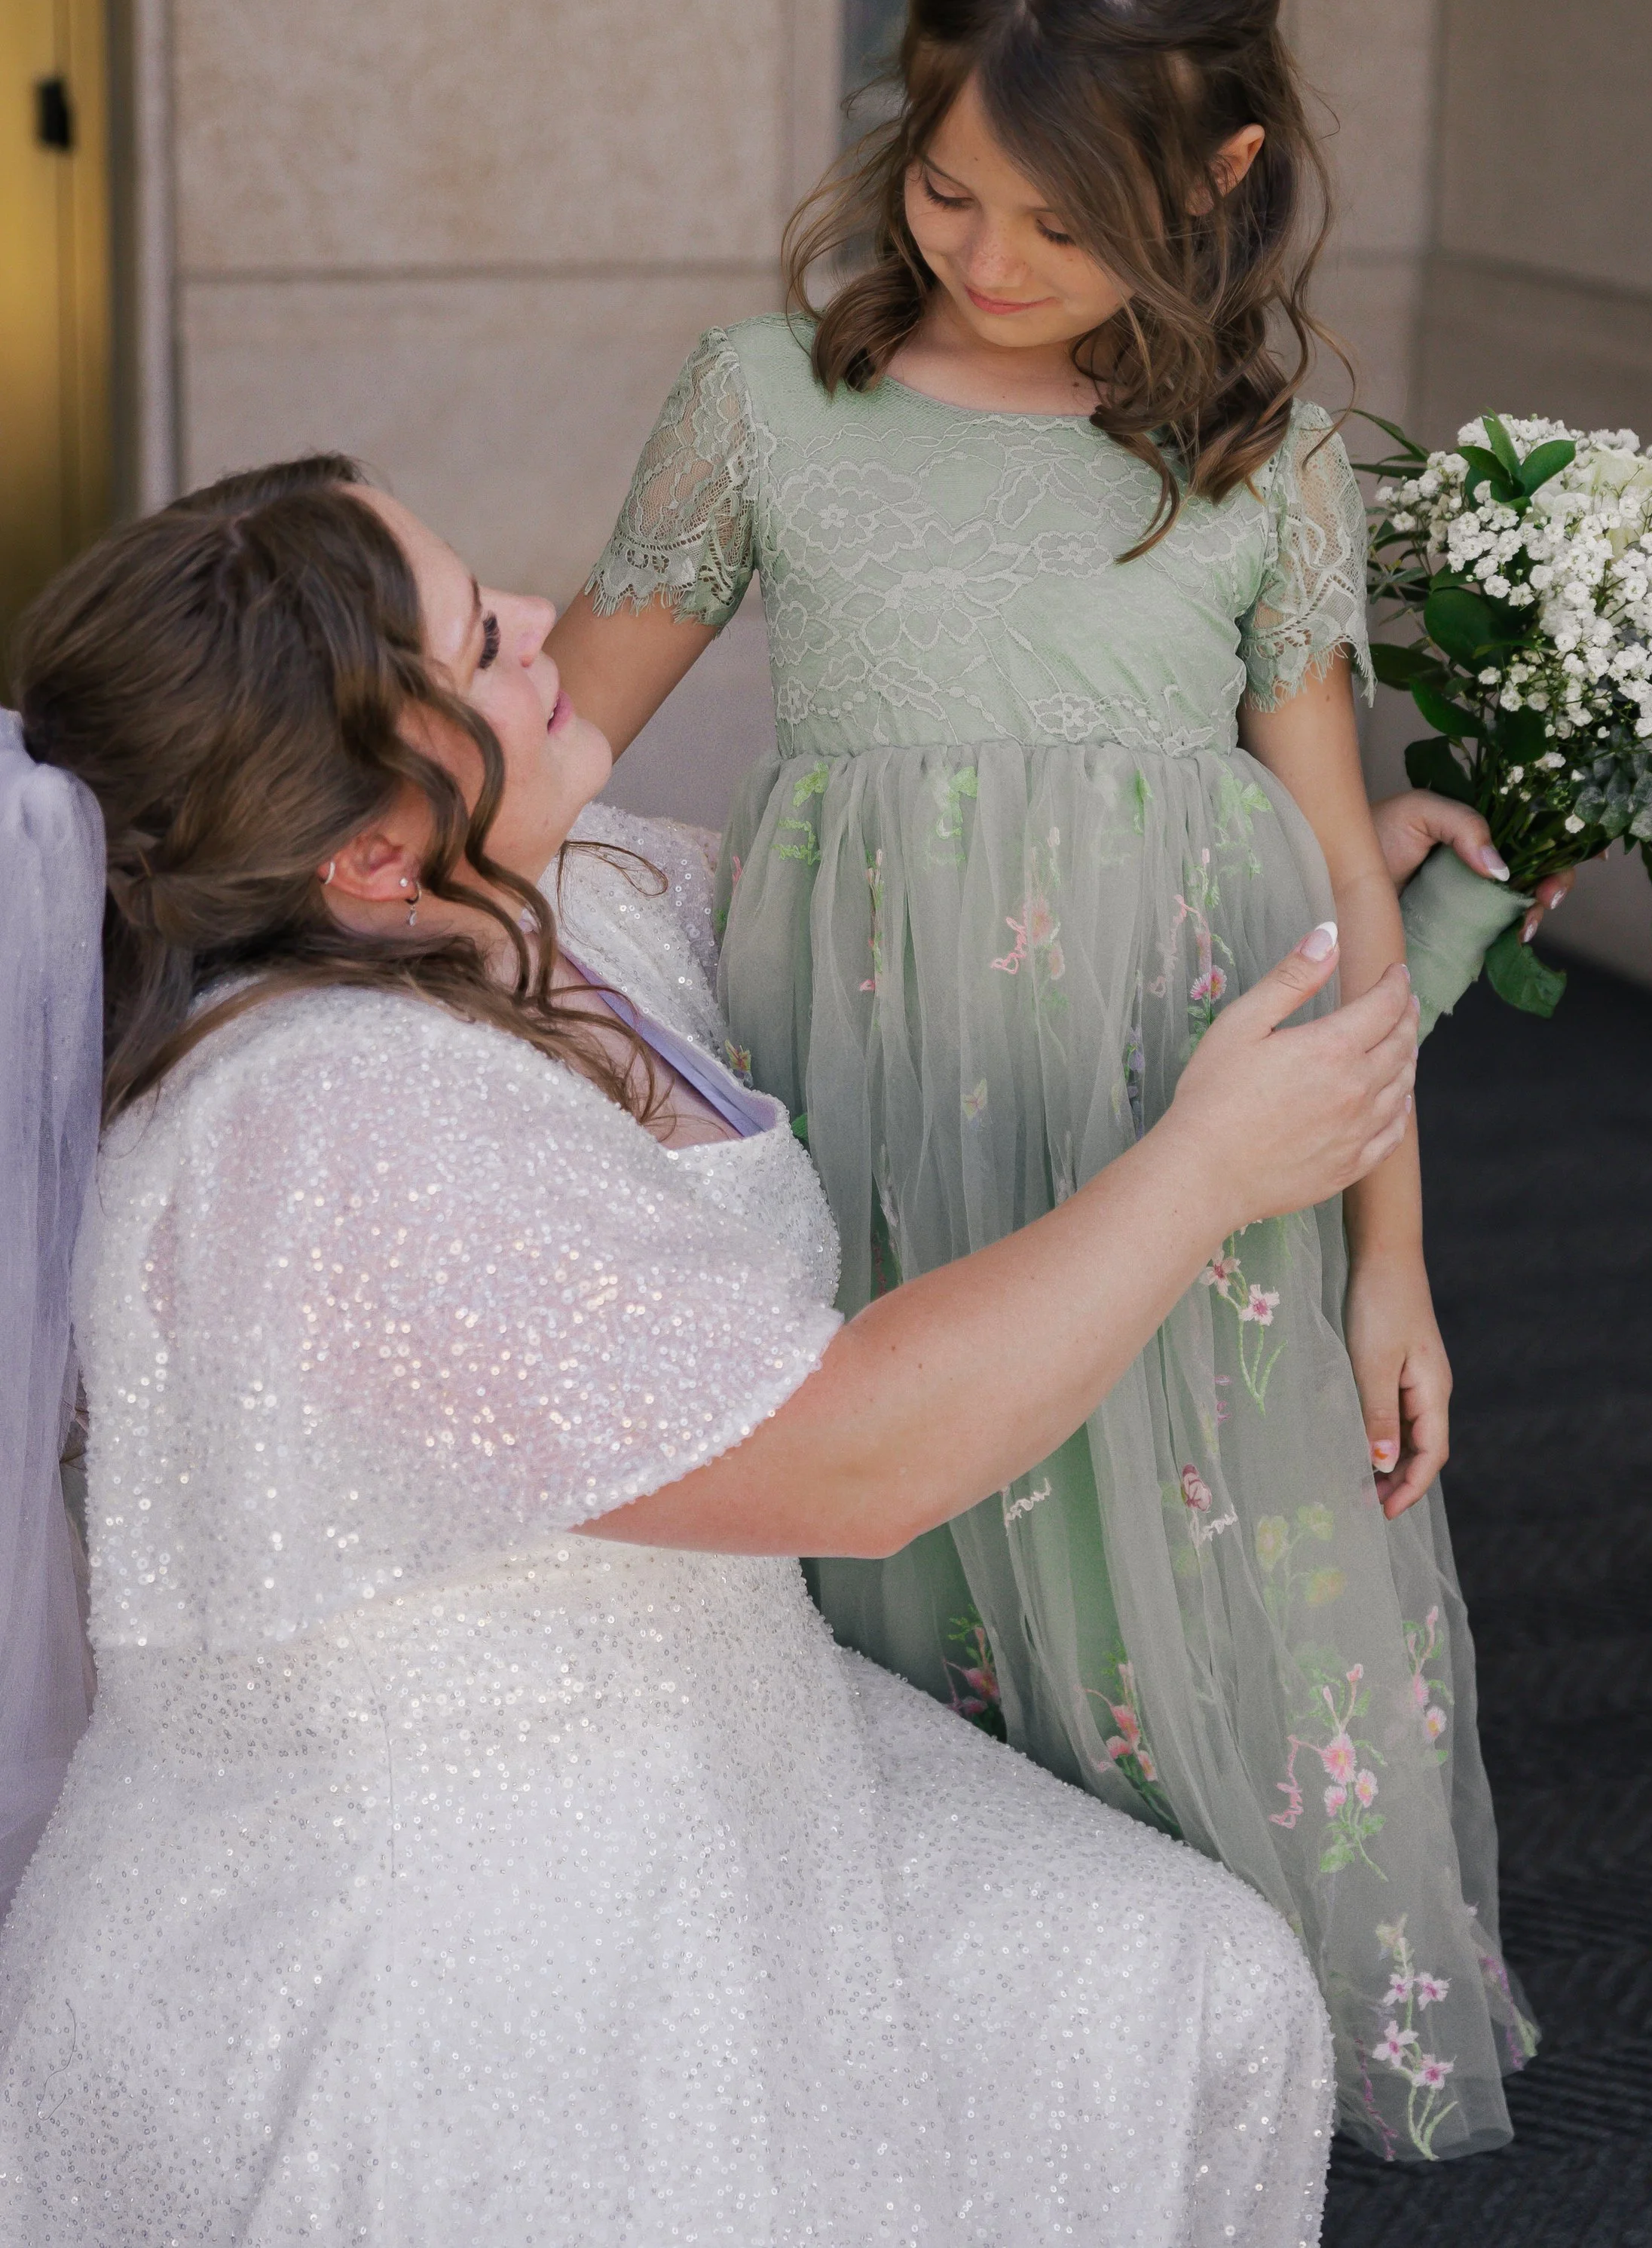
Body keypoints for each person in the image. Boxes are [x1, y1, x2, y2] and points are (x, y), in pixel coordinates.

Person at [0, 459, 1432, 2244]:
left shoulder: (559, 894)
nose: (541, 626)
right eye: (473, 644)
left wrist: (1301, 874)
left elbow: (905, 935)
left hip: (723, 1730)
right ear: (367, 856)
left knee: (1184, 1976)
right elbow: (853, 1464)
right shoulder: (325, 1134)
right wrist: (1204, 1170)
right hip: (459, 1894)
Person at [551, 0, 1540, 2157]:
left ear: (1218, 171)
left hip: (1182, 1107)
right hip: (886, 1121)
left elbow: (1326, 880)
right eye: (947, 190)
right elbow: (550, 746)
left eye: (1062, 223)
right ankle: (964, 2076)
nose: (988, 258)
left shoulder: (1257, 462)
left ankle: (1211, 2075)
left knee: (1212, 1569)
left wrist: (1394, 1263)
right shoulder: (762, 403)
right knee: (925, 1558)